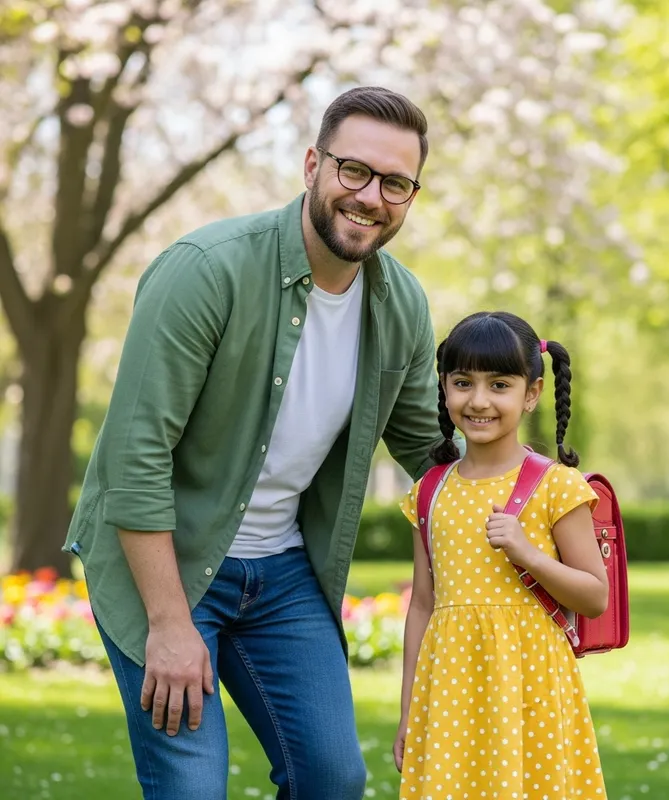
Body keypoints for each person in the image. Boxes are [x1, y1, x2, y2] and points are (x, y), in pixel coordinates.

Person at [64, 86, 448, 800]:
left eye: (396, 183)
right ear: (312, 165)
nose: (371, 197)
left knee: (332, 780)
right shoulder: (206, 271)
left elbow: (429, 451)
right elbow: (133, 457)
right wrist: (169, 624)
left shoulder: (402, 307)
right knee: (192, 787)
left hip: (283, 577)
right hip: (167, 569)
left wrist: (531, 494)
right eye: (353, 171)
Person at [393, 311, 610, 800]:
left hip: (531, 687)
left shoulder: (557, 485)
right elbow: (422, 605)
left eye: (500, 384)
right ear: (444, 388)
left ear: (531, 393)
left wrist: (527, 552)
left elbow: (595, 597)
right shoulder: (430, 491)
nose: (479, 400)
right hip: (450, 689)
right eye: (463, 382)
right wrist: (410, 711)